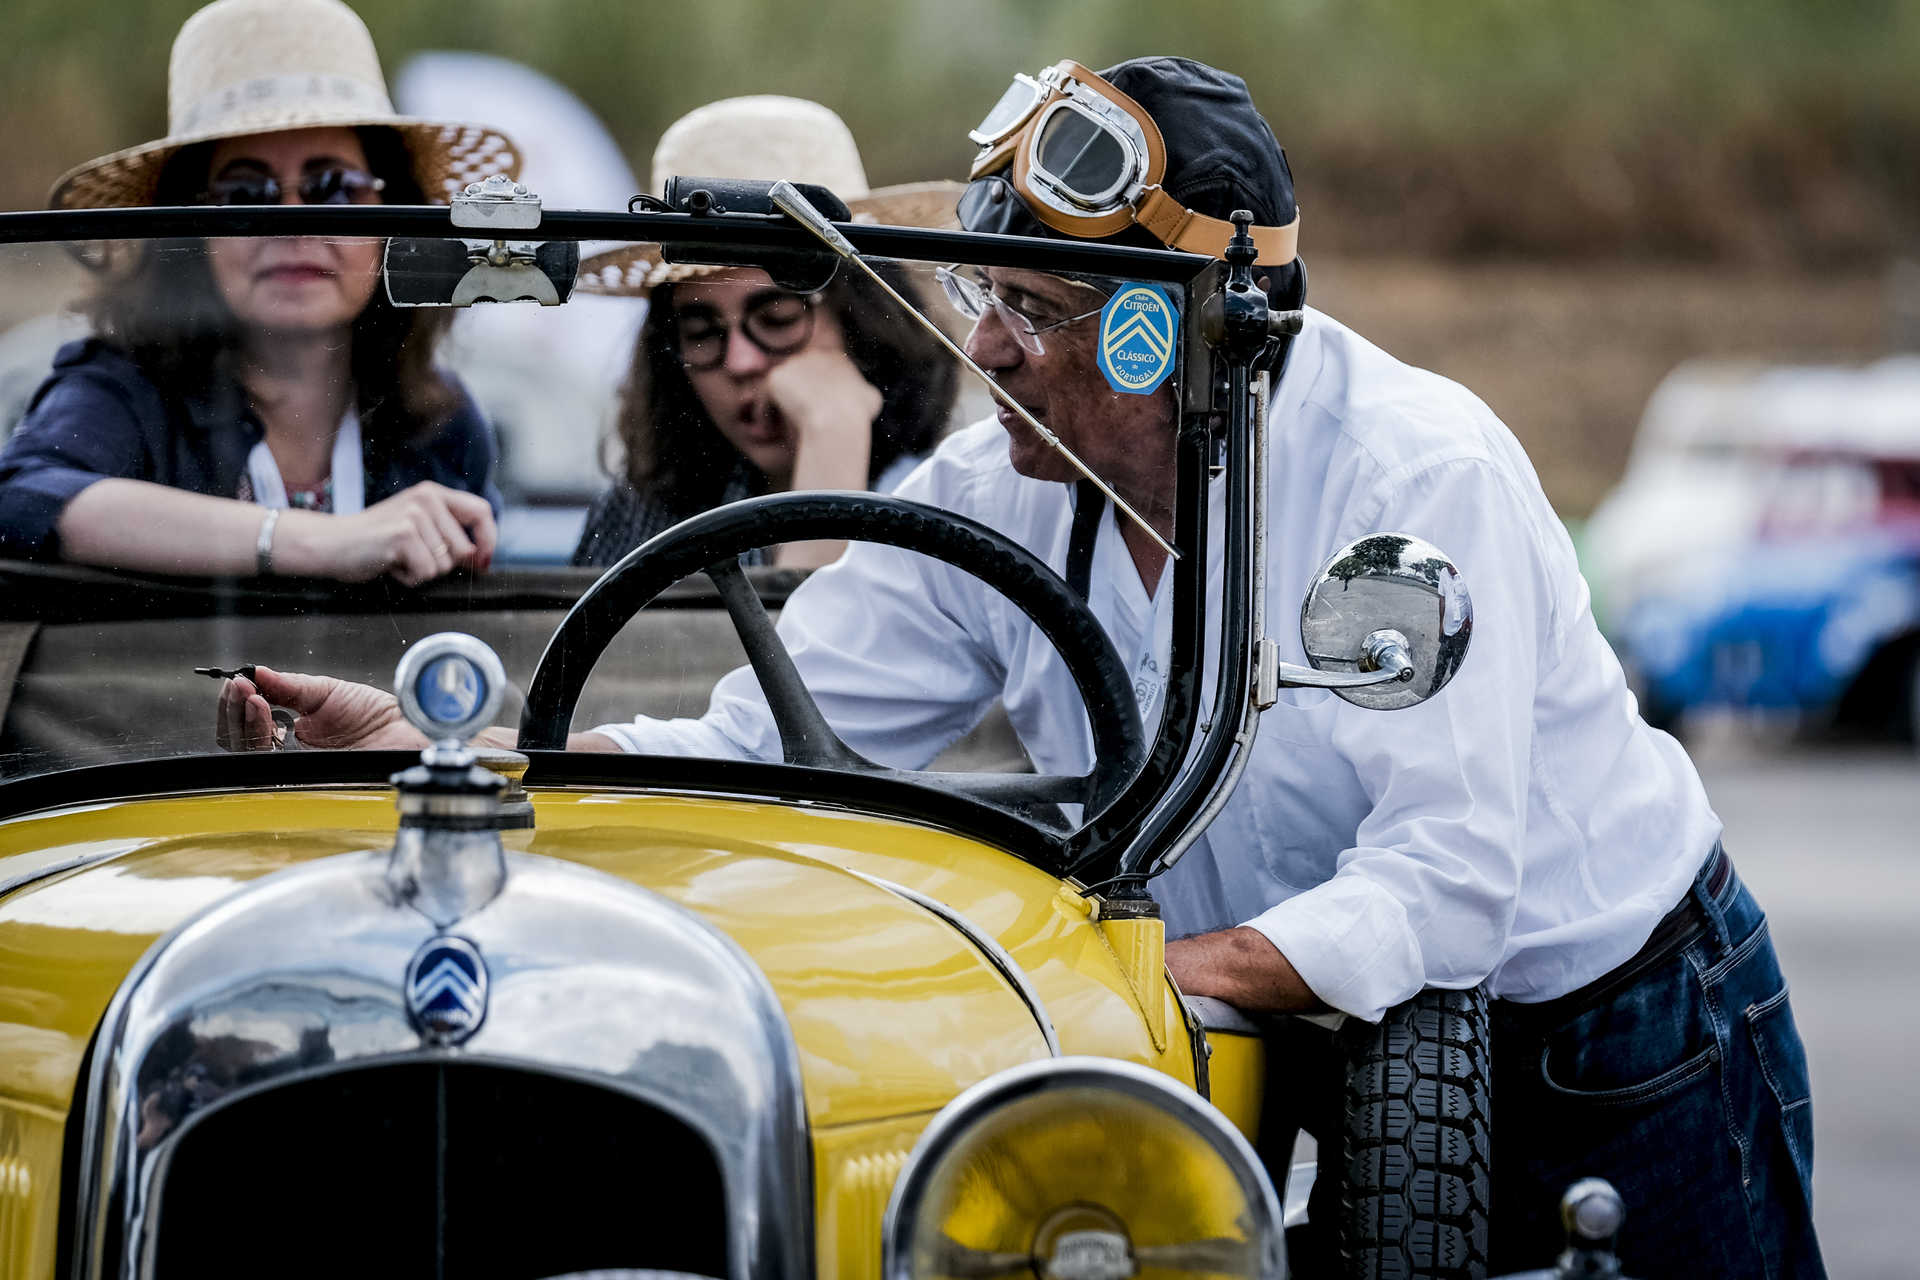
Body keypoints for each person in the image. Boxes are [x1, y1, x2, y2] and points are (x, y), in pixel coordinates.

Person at [217, 57, 1823, 1276]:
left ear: (1187, 335)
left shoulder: (1412, 477)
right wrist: (461, 761)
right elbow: (761, 742)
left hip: (1622, 1033)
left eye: (1034, 313)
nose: (982, 354)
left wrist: (1119, 983)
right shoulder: (994, 492)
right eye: (984, 297)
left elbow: (1448, 885)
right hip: (1311, 1037)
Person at [0, 0, 520, 585]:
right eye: (247, 193)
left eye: (332, 188)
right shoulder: (125, 391)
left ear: (390, 216)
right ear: (191, 231)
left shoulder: (441, 421)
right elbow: (20, 498)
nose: (292, 224)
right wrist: (321, 542)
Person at [571, 96, 959, 570]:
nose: (740, 362)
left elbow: (810, 645)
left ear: (862, 319)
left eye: (777, 320)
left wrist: (834, 434)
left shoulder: (949, 506)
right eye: (701, 332)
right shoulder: (641, 517)